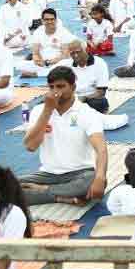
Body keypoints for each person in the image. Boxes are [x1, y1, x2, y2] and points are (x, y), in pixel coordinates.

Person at [20, 66, 110, 206]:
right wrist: (47, 110)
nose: (56, 91)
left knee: (92, 182)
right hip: (48, 174)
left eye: (61, 86)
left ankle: (45, 191)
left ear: (73, 87)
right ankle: (61, 197)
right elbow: (30, 146)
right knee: (6, 186)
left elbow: (101, 149)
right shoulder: (39, 111)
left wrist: (100, 177)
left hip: (79, 173)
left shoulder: (86, 113)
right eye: (52, 87)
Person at [18, 8, 75, 78]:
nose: (49, 22)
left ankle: (37, 74)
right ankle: (45, 72)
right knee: (20, 64)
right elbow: (35, 53)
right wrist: (37, 60)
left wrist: (48, 62)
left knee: (68, 63)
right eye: (47, 20)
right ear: (42, 21)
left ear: (56, 20)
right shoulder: (38, 32)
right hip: (42, 64)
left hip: (58, 62)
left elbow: (65, 55)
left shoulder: (63, 32)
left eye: (52, 19)